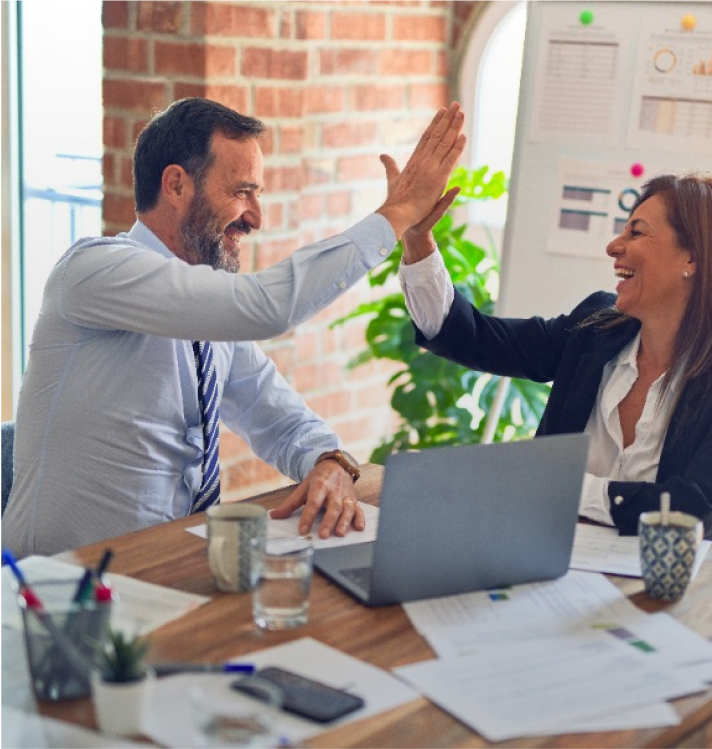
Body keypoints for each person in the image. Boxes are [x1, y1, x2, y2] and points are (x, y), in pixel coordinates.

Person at [2, 97, 466, 557]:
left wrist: (330, 461)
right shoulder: (95, 271)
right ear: (177, 185)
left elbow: (279, 418)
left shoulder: (207, 317)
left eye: (257, 194)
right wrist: (398, 213)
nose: (256, 218)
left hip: (168, 570)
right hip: (60, 590)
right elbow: (268, 307)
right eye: (242, 191)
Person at [398, 172, 712, 546]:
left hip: (675, 595)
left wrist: (562, 488)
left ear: (692, 259)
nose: (614, 246)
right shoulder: (595, 330)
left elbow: (692, 511)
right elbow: (472, 337)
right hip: (551, 565)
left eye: (636, 232)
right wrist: (418, 239)